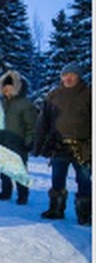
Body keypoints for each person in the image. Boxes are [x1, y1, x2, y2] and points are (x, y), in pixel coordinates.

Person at [35, 62, 91, 225]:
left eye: (72, 75)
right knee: (57, 180)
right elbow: (42, 122)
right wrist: (38, 146)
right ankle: (56, 210)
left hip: (84, 147)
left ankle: (85, 215)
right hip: (58, 146)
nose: (68, 78)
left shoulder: (89, 94)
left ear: (79, 77)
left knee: (84, 181)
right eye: (65, 75)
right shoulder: (53, 95)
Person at [0, 70, 37, 205]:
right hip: (2, 141)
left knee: (19, 170)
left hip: (18, 141)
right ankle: (6, 191)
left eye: (10, 87)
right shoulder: (1, 103)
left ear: (16, 87)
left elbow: (31, 125)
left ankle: (23, 194)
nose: (7, 90)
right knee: (4, 169)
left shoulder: (25, 104)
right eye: (5, 87)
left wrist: (29, 140)